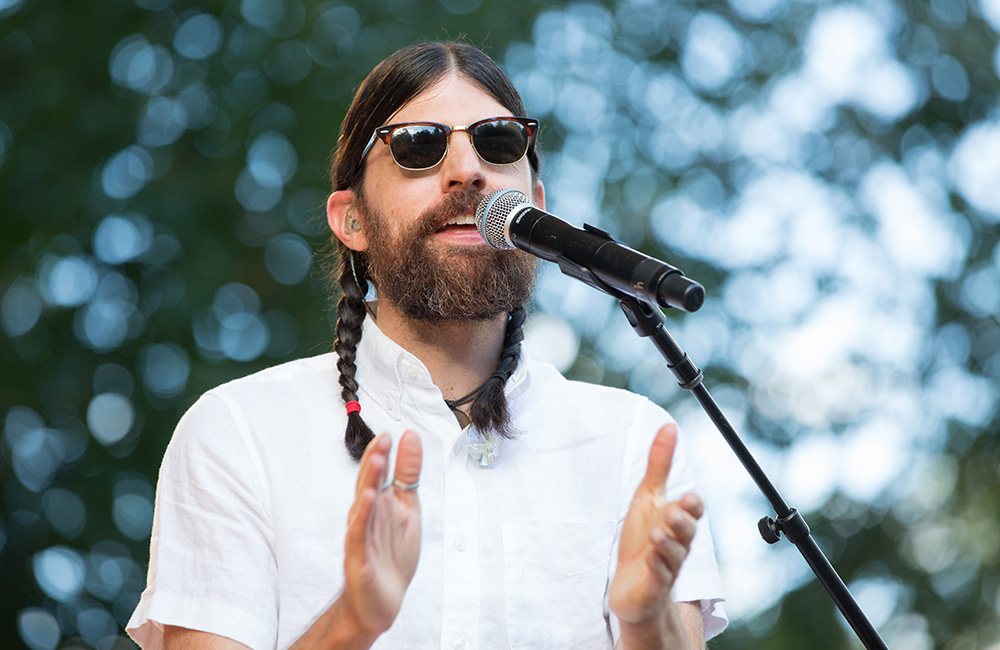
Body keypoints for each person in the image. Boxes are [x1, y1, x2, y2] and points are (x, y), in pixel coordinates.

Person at [127, 41, 727, 650]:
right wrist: (354, 621)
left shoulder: (633, 443)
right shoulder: (240, 433)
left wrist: (646, 624)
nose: (468, 171)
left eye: (498, 142)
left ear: (536, 207)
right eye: (418, 144)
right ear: (352, 220)